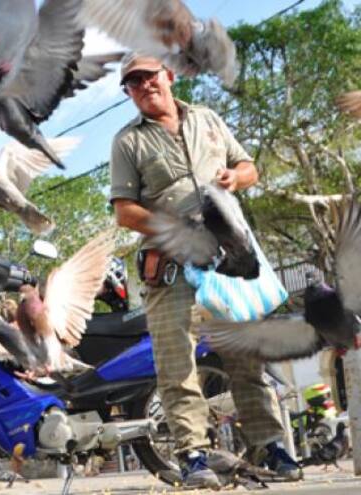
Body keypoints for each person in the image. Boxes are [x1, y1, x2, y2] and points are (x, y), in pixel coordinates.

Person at [108, 53, 301, 488]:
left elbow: (249, 167)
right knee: (177, 364)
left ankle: (270, 446)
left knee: (248, 356)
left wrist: (237, 178)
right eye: (132, 83)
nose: (142, 86)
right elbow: (125, 212)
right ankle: (193, 456)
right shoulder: (127, 142)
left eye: (148, 76)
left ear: (169, 76)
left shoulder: (208, 120)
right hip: (173, 266)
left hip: (229, 258)